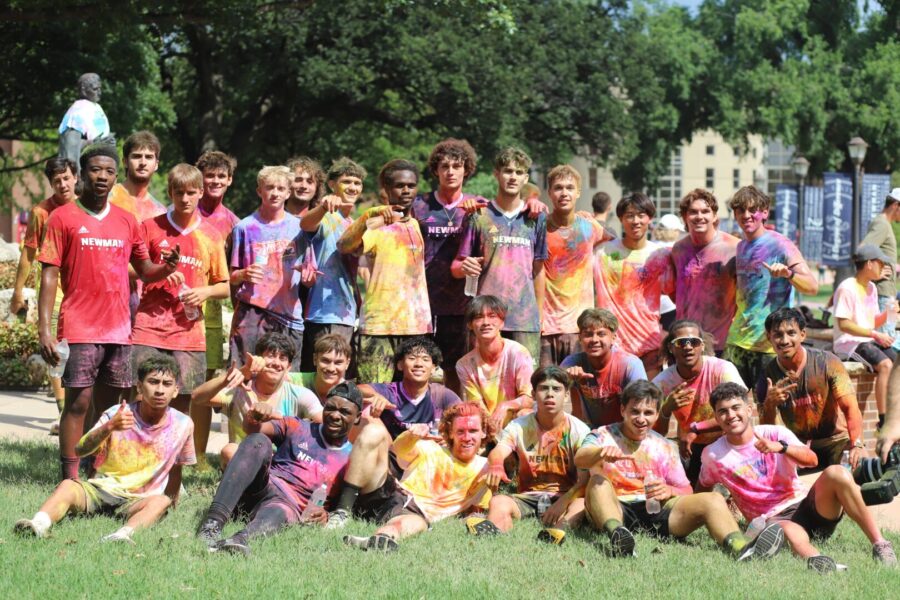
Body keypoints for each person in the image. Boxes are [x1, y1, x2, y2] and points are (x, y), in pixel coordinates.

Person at [38, 145, 181, 481]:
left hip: (119, 330)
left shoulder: (126, 220)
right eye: (95, 170)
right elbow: (48, 274)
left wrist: (166, 267)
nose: (102, 177)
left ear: (116, 178)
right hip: (79, 327)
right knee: (77, 404)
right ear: (82, 174)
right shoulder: (63, 217)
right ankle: (70, 476)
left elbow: (145, 269)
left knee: (110, 409)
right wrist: (45, 329)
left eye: (109, 172)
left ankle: (96, 468)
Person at [575, 380, 785, 561]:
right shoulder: (602, 435)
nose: (641, 418)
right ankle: (618, 536)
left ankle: (742, 548)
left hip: (656, 511)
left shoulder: (665, 445)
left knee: (712, 500)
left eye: (648, 413)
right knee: (597, 483)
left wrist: (669, 489)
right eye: (635, 411)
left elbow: (686, 489)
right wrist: (600, 453)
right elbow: (580, 458)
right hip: (616, 508)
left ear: (657, 414)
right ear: (623, 411)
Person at [701, 382, 897, 572]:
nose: (731, 415)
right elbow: (702, 491)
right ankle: (821, 563)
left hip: (808, 505)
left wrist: (781, 448)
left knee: (837, 472)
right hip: (774, 519)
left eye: (736, 408)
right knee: (785, 529)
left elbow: (811, 460)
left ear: (749, 409)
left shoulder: (774, 432)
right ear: (717, 418)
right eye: (723, 411)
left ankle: (880, 544)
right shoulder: (713, 455)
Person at [14, 354, 195, 543]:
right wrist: (110, 427)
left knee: (160, 501)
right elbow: (80, 450)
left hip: (139, 499)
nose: (159, 390)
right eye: (153, 382)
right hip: (100, 490)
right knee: (68, 485)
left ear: (176, 390)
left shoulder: (183, 424)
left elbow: (177, 466)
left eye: (167, 384)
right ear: (140, 387)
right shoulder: (116, 414)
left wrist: (171, 502)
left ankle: (122, 535)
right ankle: (38, 524)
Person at [196, 381, 362, 555]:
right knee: (258, 440)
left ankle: (239, 540)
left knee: (281, 511)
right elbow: (254, 429)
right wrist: (254, 416)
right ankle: (211, 525)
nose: (335, 415)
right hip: (261, 486)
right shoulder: (298, 427)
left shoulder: (352, 460)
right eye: (330, 408)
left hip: (286, 505)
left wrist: (325, 516)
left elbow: (341, 507)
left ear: (357, 417)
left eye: (345, 412)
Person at [130, 164, 229, 415]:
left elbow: (224, 286)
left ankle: (175, 453)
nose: (185, 199)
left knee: (184, 399)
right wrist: (161, 270)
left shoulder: (211, 235)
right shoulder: (150, 227)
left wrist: (204, 292)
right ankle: (138, 448)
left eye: (191, 192)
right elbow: (130, 269)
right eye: (178, 193)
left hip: (188, 332)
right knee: (142, 393)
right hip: (149, 327)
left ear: (200, 192)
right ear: (170, 193)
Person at [335, 402, 495, 552]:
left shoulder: (486, 468)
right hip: (390, 494)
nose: (467, 437)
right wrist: (411, 436)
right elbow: (398, 450)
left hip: (413, 515)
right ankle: (341, 511)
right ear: (451, 433)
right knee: (374, 431)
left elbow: (479, 509)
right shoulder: (431, 448)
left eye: (473, 431)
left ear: (484, 432)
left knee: (417, 523)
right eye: (460, 431)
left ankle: (380, 539)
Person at [466, 366, 590, 543]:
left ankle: (556, 532)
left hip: (564, 496)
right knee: (498, 501)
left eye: (556, 389)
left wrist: (563, 502)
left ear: (567, 395)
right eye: (543, 388)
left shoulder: (579, 430)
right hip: (527, 496)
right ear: (533, 394)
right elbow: (499, 451)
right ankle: (493, 530)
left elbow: (584, 480)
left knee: (581, 504)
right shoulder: (520, 426)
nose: (550, 394)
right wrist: (495, 465)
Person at [338, 159, 432, 383]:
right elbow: (344, 246)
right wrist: (366, 216)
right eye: (400, 186)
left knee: (411, 394)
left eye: (411, 185)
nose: (406, 190)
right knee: (374, 393)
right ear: (388, 190)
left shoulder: (418, 225)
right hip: (379, 326)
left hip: (416, 325)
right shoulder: (376, 225)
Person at [452, 147, 548, 364]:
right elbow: (459, 264)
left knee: (526, 386)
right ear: (496, 173)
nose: (513, 176)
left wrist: (539, 316)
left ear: (526, 178)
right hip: (486, 318)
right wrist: (465, 267)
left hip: (525, 319)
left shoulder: (535, 218)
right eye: (507, 171)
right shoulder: (478, 215)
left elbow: (539, 269)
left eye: (519, 172)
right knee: (485, 384)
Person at [724, 185, 818, 388]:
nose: (746, 215)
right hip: (737, 340)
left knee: (768, 407)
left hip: (769, 344)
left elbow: (812, 287)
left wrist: (788, 274)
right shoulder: (741, 246)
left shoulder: (780, 244)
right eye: (741, 210)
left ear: (764, 212)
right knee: (730, 403)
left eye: (752, 210)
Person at [10, 157, 79, 423]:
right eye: (56, 180)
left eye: (66, 178)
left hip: (82, 289)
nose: (62, 184)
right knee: (54, 349)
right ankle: (64, 415)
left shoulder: (86, 207)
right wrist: (18, 292)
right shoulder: (41, 212)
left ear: (75, 177)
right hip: (53, 290)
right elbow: (28, 255)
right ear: (51, 183)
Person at [756, 308, 865, 471]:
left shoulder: (827, 362)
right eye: (778, 335)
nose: (784, 340)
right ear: (768, 337)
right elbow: (768, 432)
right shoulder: (766, 377)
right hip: (797, 445)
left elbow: (850, 407)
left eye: (791, 333)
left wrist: (857, 443)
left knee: (860, 465)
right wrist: (770, 405)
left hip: (835, 440)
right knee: (766, 470)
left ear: (803, 334)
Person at [412, 138, 481, 393]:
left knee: (455, 368)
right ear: (436, 170)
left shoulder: (478, 206)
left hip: (461, 302)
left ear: (466, 169)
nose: (450, 171)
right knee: (419, 363)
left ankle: (455, 415)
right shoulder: (419, 205)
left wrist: (533, 203)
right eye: (444, 166)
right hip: (422, 300)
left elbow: (509, 211)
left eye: (456, 165)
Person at [192, 333, 322, 466]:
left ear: (288, 367)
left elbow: (324, 425)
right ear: (258, 360)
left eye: (282, 358)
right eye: (271, 356)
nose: (276, 363)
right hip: (246, 462)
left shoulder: (299, 394)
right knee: (230, 451)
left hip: (285, 465)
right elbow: (197, 397)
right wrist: (227, 378)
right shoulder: (239, 391)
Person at [229, 165, 309, 370]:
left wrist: (308, 276)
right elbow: (231, 277)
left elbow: (309, 270)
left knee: (286, 378)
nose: (275, 193)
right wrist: (244, 274)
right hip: (252, 313)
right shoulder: (244, 228)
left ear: (288, 193)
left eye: (281, 189)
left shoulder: (299, 227)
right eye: (269, 187)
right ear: (259, 191)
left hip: (289, 314)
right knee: (244, 372)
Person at [192, 150, 240, 467]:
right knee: (197, 385)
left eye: (221, 176)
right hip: (193, 313)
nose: (215, 181)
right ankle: (194, 454)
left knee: (225, 384)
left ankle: (229, 454)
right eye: (210, 175)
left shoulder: (234, 222)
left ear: (230, 180)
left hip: (225, 312)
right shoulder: (186, 214)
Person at [652, 320, 744, 484]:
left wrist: (696, 429)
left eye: (694, 342)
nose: (688, 347)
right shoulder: (663, 383)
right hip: (692, 449)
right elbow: (655, 434)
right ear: (671, 348)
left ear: (702, 346)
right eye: (681, 342)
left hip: (727, 441)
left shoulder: (722, 369)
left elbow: (739, 414)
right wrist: (666, 410)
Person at [593, 192, 672, 378]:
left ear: (650, 218)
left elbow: (676, 293)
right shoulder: (602, 252)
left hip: (649, 343)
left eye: (641, 215)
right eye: (629, 215)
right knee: (614, 402)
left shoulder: (661, 255)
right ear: (621, 219)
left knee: (648, 401)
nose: (635, 221)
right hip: (613, 343)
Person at [298, 157, 364, 370]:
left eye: (357, 183)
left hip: (347, 312)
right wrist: (323, 207)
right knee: (324, 372)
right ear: (332, 184)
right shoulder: (324, 216)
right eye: (347, 182)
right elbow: (305, 223)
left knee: (337, 374)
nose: (353, 187)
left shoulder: (353, 224)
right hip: (323, 311)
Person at [541, 165, 609, 367]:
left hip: (581, 326)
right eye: (558, 187)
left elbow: (615, 246)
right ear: (549, 192)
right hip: (545, 326)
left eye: (570, 188)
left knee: (579, 392)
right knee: (547, 390)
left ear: (578, 192)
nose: (564, 193)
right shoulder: (538, 227)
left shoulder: (590, 227)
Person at [832, 244, 898, 428]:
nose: (884, 267)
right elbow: (843, 324)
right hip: (848, 344)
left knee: (897, 362)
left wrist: (890, 312)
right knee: (885, 365)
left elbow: (872, 322)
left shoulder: (872, 288)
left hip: (867, 340)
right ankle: (884, 419)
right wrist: (875, 334)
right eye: (881, 263)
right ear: (869, 264)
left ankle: (895, 413)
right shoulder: (847, 287)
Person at [668, 189, 739, 356]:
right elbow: (677, 292)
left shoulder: (734, 248)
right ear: (685, 217)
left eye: (705, 211)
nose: (699, 216)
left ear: (714, 216)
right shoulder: (679, 250)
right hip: (686, 340)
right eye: (693, 212)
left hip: (721, 342)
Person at [357, 336, 461, 440]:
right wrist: (375, 396)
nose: (419, 364)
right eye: (412, 358)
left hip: (431, 453)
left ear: (433, 368)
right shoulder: (390, 392)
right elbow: (356, 389)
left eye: (425, 359)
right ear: (400, 365)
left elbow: (466, 415)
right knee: (366, 408)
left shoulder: (442, 395)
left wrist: (449, 440)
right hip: (392, 452)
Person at [455, 295, 534, 430]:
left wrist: (505, 406)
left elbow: (529, 399)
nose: (486, 322)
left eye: (492, 316)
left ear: (502, 322)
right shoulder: (464, 364)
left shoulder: (518, 353)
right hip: (488, 425)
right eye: (479, 317)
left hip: (516, 421)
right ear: (470, 325)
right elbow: (477, 405)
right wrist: (491, 428)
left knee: (524, 413)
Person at [560, 308, 646, 429]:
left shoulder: (630, 364)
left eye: (601, 334)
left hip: (625, 430)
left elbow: (643, 405)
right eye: (588, 334)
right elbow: (550, 389)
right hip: (587, 430)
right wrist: (567, 379)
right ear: (579, 339)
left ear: (613, 337)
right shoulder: (572, 363)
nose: (594, 340)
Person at [860, 188, 900, 349]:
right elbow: (862, 251)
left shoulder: (885, 224)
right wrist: (876, 275)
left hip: (888, 294)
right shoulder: (882, 224)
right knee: (888, 344)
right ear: (897, 205)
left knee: (890, 341)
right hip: (883, 295)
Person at [57, 73, 111, 175]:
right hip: (86, 176)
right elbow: (70, 152)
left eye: (100, 89)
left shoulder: (97, 108)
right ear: (83, 90)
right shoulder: (76, 113)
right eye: (95, 89)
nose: (99, 93)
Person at [108, 130, 167, 222]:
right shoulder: (107, 199)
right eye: (137, 156)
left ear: (156, 165)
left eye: (148, 157)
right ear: (125, 162)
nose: (143, 162)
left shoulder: (160, 212)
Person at [289, 333, 352, 404]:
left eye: (338, 363)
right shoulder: (294, 382)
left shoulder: (351, 394)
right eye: (325, 361)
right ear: (315, 359)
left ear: (347, 363)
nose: (331, 369)